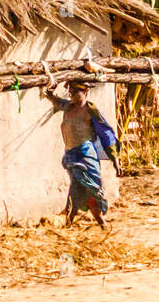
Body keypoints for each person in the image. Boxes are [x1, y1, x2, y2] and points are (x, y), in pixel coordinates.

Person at [43, 80, 118, 228]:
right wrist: (49, 91)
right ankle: (101, 223)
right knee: (86, 190)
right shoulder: (67, 107)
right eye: (70, 91)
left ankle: (69, 221)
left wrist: (115, 158)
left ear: (85, 92)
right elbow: (54, 99)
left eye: (75, 91)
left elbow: (106, 133)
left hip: (85, 155)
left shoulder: (90, 111)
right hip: (71, 154)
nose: (71, 94)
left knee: (79, 185)